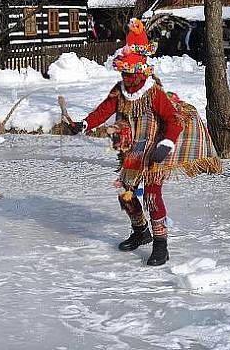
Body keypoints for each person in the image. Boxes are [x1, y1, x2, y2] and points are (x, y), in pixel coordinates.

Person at [69, 19, 221, 266]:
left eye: (129, 73)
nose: (125, 77)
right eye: (123, 72)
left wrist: (166, 144)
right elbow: (104, 110)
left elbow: (173, 121)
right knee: (124, 193)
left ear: (140, 71)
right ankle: (141, 232)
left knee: (151, 195)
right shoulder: (120, 90)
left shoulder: (153, 92)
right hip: (132, 150)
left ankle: (161, 245)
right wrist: (84, 124)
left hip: (155, 149)